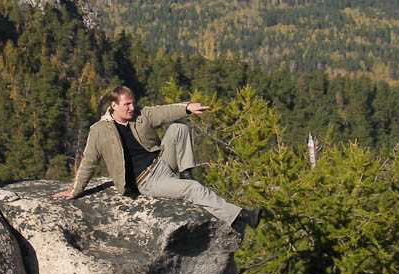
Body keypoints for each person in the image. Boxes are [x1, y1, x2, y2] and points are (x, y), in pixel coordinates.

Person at [53, 85, 261, 232]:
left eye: (132, 103)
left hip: (161, 162)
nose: (131, 108)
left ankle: (185, 173)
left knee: (178, 128)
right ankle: (241, 216)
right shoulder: (99, 131)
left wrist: (186, 107)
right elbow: (89, 162)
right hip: (147, 181)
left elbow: (163, 111)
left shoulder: (140, 115)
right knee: (193, 189)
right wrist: (75, 190)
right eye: (126, 104)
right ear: (113, 106)